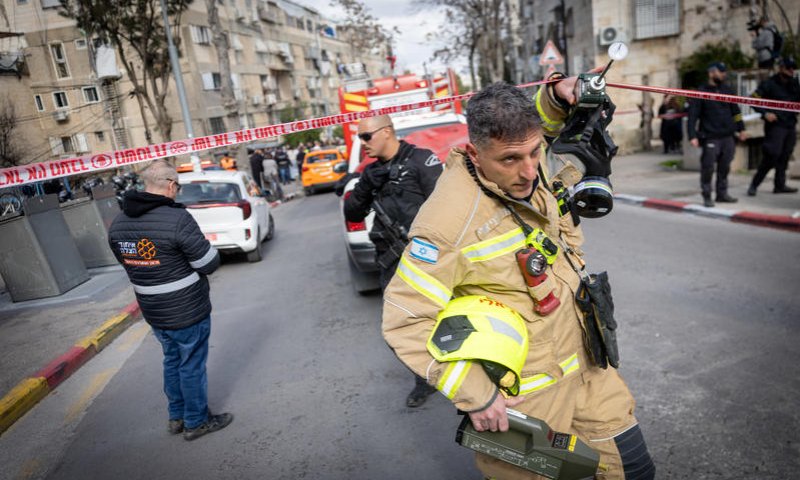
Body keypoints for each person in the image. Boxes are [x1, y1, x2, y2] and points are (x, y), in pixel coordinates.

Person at [381, 80, 656, 479]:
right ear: (474, 154)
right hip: (526, 401)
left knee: (634, 470)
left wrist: (558, 94)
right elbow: (406, 320)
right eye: (510, 159)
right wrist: (476, 394)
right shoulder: (446, 223)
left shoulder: (528, 163)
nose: (529, 171)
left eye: (534, 152)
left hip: (589, 367)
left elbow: (545, 123)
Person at [108, 159, 233, 441]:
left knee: (172, 360)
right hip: (186, 310)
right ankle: (196, 422)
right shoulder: (177, 218)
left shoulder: (119, 222)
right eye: (178, 187)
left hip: (154, 311)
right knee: (191, 365)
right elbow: (208, 263)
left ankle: (176, 417)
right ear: (171, 185)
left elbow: (126, 262)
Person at [344, 114, 445, 408]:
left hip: (428, 257)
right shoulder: (371, 173)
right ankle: (423, 379)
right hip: (391, 260)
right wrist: (365, 186)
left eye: (367, 136)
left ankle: (463, 371)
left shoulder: (421, 161)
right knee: (401, 325)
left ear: (387, 132)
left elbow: (445, 207)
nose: (363, 143)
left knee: (445, 315)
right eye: (359, 137)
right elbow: (352, 213)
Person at [688, 62, 747, 207]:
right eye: (721, 72)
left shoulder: (727, 90)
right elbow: (693, 116)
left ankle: (722, 193)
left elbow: (736, 112)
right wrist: (692, 135)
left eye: (724, 72)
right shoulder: (701, 92)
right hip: (710, 136)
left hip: (728, 136)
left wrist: (742, 129)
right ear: (711, 73)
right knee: (708, 167)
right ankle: (707, 195)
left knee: (724, 167)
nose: (724, 74)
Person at [748, 56, 800, 196]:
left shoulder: (794, 83)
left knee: (785, 156)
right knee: (772, 155)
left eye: (793, 68)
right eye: (789, 68)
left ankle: (779, 185)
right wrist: (765, 113)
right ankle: (754, 184)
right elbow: (753, 99)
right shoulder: (769, 84)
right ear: (781, 68)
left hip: (790, 124)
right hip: (776, 126)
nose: (791, 71)